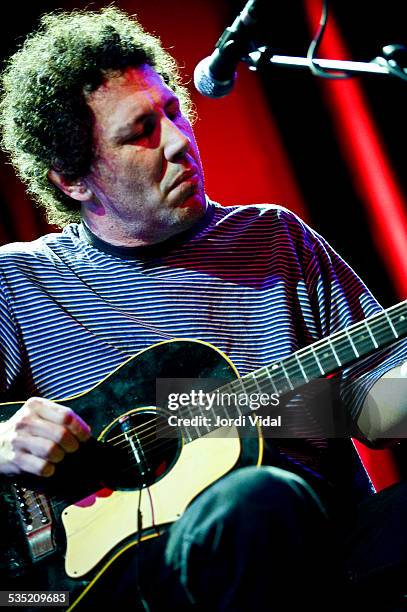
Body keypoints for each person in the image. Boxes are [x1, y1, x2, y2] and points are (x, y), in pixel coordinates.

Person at [0, 7, 406, 611]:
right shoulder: (20, 278)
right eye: (139, 132)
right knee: (251, 502)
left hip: (324, 539)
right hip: (118, 582)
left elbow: (380, 406)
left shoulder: (275, 239)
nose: (178, 140)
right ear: (73, 180)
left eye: (172, 111)